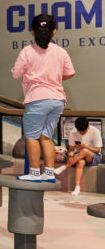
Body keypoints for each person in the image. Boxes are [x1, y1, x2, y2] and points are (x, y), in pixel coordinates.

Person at [11, 13, 75, 182]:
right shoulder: (61, 52)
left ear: (32, 31)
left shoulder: (27, 52)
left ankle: (34, 173)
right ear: (54, 31)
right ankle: (49, 173)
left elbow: (16, 73)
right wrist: (53, 77)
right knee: (46, 137)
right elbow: (70, 73)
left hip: (37, 99)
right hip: (57, 100)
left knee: (32, 137)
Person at [54, 117, 102, 195]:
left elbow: (97, 150)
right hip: (79, 155)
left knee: (84, 151)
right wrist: (70, 156)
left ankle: (65, 167)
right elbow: (71, 149)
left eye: (84, 132)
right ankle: (77, 187)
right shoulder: (73, 132)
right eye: (80, 132)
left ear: (88, 126)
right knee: (80, 162)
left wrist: (86, 147)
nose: (81, 133)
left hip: (94, 156)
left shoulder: (95, 131)